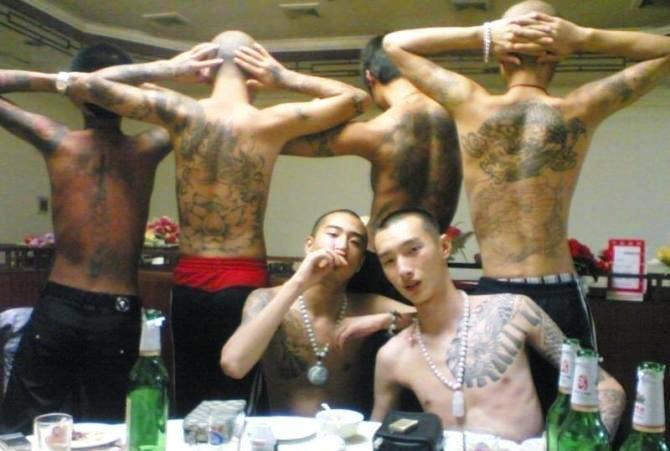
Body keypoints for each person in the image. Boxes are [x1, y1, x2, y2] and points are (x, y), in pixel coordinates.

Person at [382, 0, 670, 414]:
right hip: (558, 290)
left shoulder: (469, 102)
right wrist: (583, 38)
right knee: (577, 412)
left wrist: (483, 35)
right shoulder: (579, 108)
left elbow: (394, 44)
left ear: (502, 55)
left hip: (494, 293)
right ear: (556, 55)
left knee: (491, 417)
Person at [65, 31, 370, 416]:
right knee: (240, 392)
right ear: (253, 72)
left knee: (189, 394)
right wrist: (283, 77)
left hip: (191, 273)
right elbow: (356, 100)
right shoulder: (270, 121)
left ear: (206, 70)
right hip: (243, 274)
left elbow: (85, 85)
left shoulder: (180, 110)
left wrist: (170, 68)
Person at [0, 44, 176, 433]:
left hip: (66, 304)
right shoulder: (145, 148)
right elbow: (193, 114)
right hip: (110, 310)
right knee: (106, 429)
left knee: (28, 428)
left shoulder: (58, 140)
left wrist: (64, 83)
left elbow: (198, 116)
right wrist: (133, 87)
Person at [371, 208, 625, 442]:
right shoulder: (393, 356)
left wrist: (583, 446)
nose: (403, 269)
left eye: (413, 250)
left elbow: (606, 386)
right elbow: (375, 436)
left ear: (444, 247)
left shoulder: (512, 311)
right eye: (389, 261)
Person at [282, 35, 461, 302]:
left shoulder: (382, 129)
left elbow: (281, 141)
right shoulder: (456, 121)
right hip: (430, 260)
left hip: (383, 262)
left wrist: (319, 110)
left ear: (370, 76)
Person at [220, 209, 415, 416]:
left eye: (355, 242)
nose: (342, 246)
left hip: (345, 431)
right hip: (282, 431)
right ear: (309, 245)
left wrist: (385, 320)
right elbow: (234, 365)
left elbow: (434, 319)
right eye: (333, 234)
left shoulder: (366, 305)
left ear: (359, 263)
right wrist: (298, 282)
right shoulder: (265, 299)